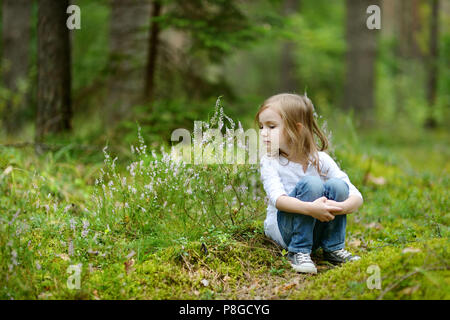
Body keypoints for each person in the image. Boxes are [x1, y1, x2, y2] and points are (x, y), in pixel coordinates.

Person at [255, 93, 363, 274]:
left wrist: (340, 207)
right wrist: (310, 208)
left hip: (316, 227)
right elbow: (278, 199)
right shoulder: (270, 161)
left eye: (271, 126)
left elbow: (356, 196)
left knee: (337, 186)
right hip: (284, 230)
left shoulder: (321, 160)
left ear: (297, 129)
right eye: (261, 127)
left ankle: (333, 248)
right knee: (312, 184)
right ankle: (298, 251)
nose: (263, 133)